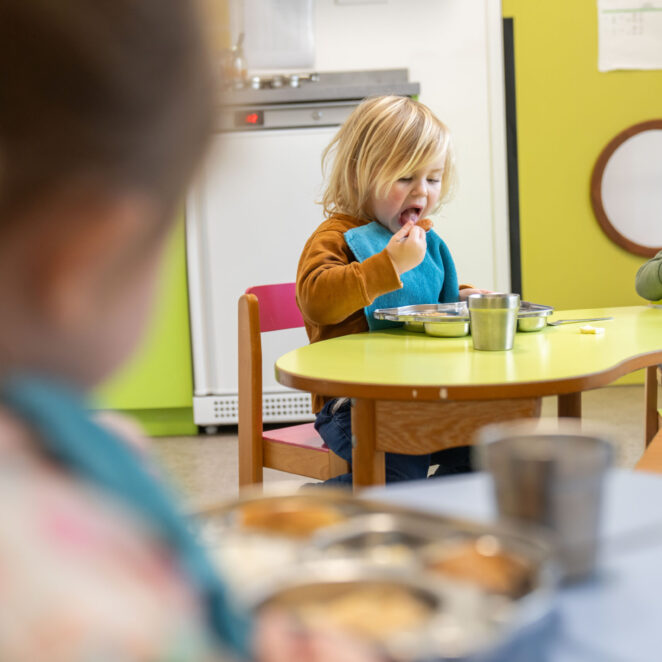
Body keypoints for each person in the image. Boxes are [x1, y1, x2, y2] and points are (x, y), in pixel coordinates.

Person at [0, 2, 382, 662]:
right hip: (343, 410)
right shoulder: (80, 605)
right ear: (82, 261)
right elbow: (319, 295)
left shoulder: (75, 449)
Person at [296, 95, 488, 486]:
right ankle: (322, 504)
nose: (421, 192)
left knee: (488, 448)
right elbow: (316, 301)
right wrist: (390, 265)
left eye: (432, 179)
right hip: (353, 404)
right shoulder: (336, 237)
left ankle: (431, 508)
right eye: (405, 178)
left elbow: (432, 302)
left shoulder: (423, 240)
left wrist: (462, 298)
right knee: (399, 473)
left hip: (422, 396)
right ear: (359, 175)